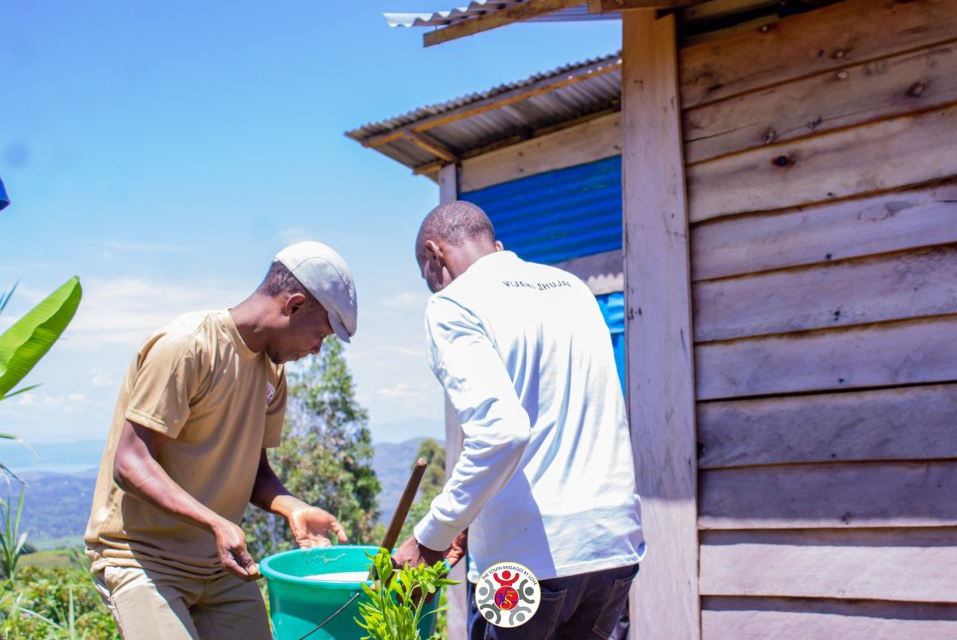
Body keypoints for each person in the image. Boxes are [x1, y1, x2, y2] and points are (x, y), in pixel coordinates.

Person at [394, 201, 645, 639]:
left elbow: (502, 433)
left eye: (427, 278)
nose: (433, 288)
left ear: (434, 254)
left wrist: (431, 537)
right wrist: (475, 518)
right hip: (612, 550)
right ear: (495, 245)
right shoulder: (573, 290)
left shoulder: (453, 304)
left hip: (521, 568)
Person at [84, 241, 358, 640]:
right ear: (294, 305)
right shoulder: (187, 346)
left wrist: (293, 507)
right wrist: (215, 522)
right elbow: (130, 463)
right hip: (143, 559)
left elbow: (253, 469)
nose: (317, 349)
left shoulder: (272, 372)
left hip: (220, 564)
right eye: (321, 334)